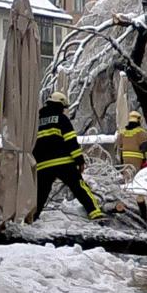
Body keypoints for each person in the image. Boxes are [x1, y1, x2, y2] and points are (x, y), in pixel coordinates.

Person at [34, 92, 104, 221]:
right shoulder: (61, 119)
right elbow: (71, 141)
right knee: (79, 188)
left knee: (40, 194)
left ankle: (32, 218)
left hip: (43, 165)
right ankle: (95, 213)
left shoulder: (36, 122)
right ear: (60, 105)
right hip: (64, 162)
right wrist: (80, 160)